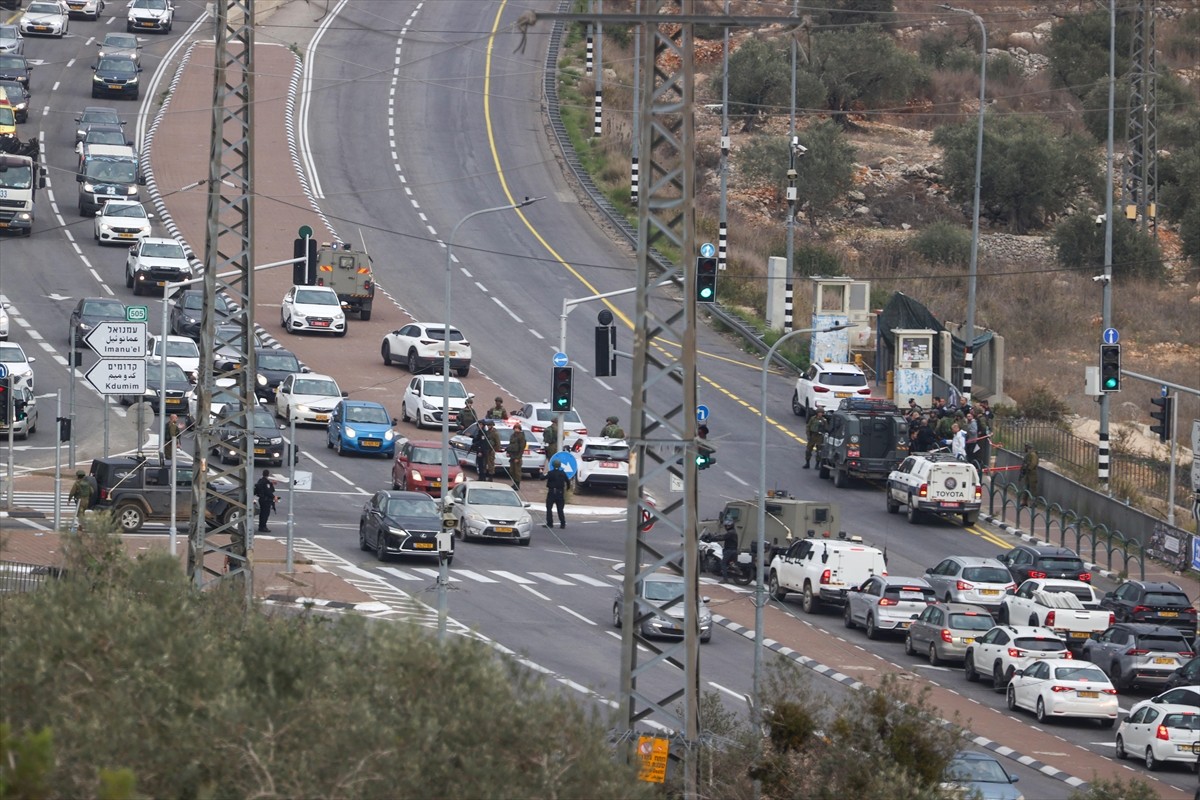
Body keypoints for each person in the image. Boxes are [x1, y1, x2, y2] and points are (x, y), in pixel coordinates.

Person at [544, 462, 568, 528]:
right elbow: (567, 481)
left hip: (551, 492)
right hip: (560, 492)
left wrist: (540, 472)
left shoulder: (550, 473)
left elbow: (542, 477)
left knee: (549, 508)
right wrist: (566, 489)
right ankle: (562, 523)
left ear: (553, 465)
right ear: (560, 465)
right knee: (560, 509)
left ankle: (550, 523)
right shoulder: (563, 473)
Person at [506, 421, 526, 490]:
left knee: (517, 471)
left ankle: (517, 484)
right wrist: (508, 451)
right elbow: (510, 444)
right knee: (512, 471)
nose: (516, 429)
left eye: (518, 428)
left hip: (517, 456)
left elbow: (521, 448)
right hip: (512, 455)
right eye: (515, 428)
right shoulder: (513, 435)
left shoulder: (521, 437)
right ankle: (514, 483)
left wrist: (518, 457)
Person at [1018, 443, 1039, 507]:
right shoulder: (1028, 455)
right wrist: (1023, 470)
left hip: (1032, 473)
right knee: (1026, 487)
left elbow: (1033, 463)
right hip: (1027, 473)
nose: (1025, 449)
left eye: (1026, 447)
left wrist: (1028, 469)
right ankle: (1024, 501)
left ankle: (1034, 502)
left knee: (1033, 488)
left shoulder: (1033, 454)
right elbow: (1025, 463)